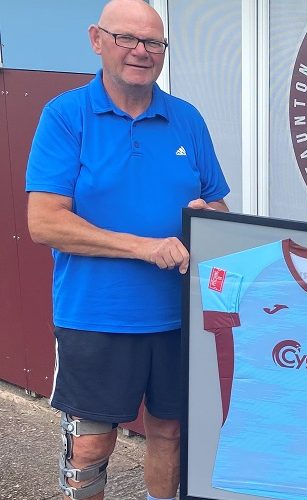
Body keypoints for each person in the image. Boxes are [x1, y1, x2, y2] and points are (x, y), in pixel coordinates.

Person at [25, 1, 230, 499]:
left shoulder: (187, 119)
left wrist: (211, 218)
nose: (142, 51)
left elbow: (221, 209)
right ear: (97, 40)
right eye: (127, 39)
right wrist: (142, 247)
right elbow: (44, 222)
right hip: (96, 315)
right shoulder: (66, 115)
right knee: (91, 448)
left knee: (170, 432)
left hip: (179, 317)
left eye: (154, 43)